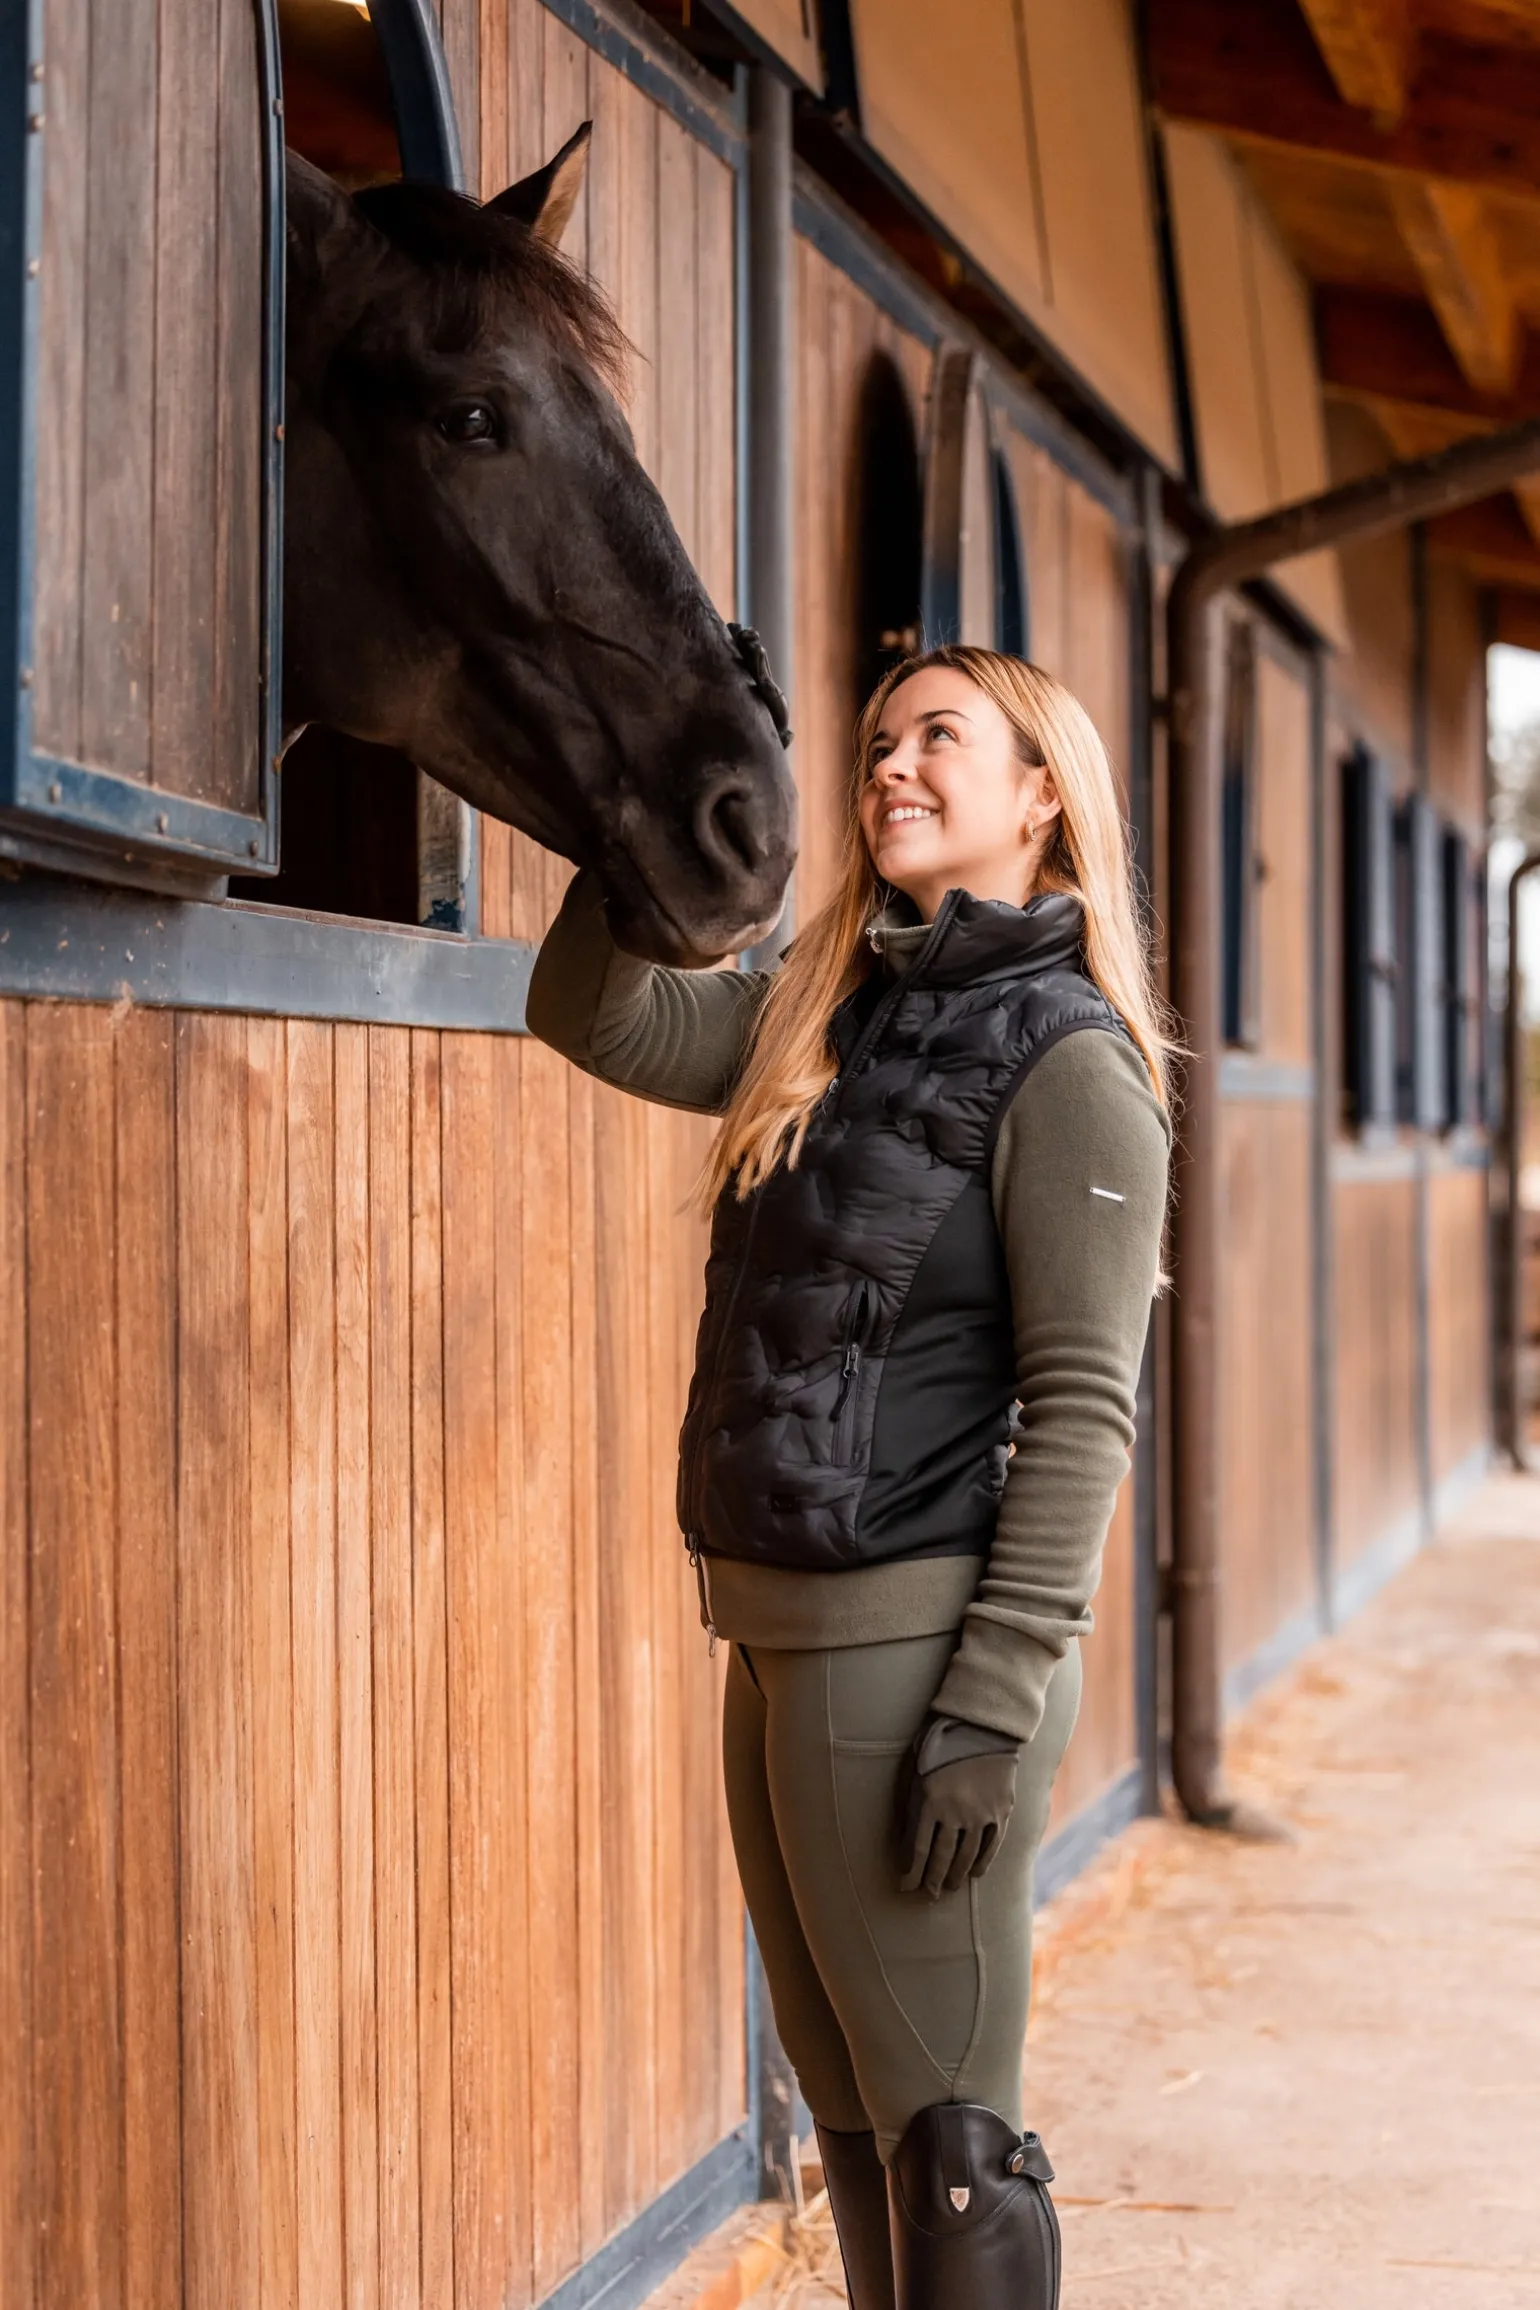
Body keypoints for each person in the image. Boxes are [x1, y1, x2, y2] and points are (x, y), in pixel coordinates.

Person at [529, 645, 1172, 2310]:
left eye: (937, 738)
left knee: (955, 2149)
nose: (892, 764)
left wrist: (992, 1700)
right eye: (878, 742)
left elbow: (1086, 1406)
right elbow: (589, 1009)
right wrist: (648, 775)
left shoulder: (1071, 1059)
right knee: (864, 2121)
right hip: (779, 1634)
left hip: (917, 1653)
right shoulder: (832, 1010)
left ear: (1041, 792)